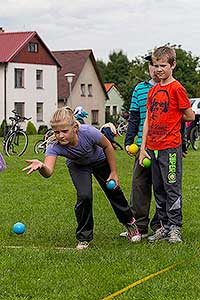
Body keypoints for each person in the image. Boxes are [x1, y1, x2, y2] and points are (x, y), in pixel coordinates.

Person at [23, 107, 141, 250]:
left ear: (74, 128)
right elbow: (48, 172)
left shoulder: (88, 132)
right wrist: (41, 166)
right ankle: (84, 238)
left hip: (99, 160)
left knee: (113, 191)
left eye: (64, 131)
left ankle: (129, 223)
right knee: (84, 196)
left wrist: (114, 173)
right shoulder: (54, 145)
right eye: (56, 132)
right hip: (78, 165)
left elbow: (107, 146)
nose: (60, 135)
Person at [139, 46, 195, 243]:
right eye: (155, 65)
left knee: (172, 187)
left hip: (170, 147)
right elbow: (147, 119)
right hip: (152, 148)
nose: (158, 69)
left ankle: (175, 227)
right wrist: (143, 148)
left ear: (173, 65)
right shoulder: (153, 90)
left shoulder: (177, 88)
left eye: (163, 65)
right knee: (159, 188)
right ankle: (163, 226)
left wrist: (172, 120)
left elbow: (189, 115)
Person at [120, 54, 161, 240]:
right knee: (139, 186)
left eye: (158, 65)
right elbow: (134, 117)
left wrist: (182, 144)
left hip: (164, 145)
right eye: (152, 65)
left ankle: (160, 225)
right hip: (142, 147)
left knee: (163, 187)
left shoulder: (169, 87)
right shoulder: (140, 89)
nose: (155, 69)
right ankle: (140, 227)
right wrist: (129, 141)